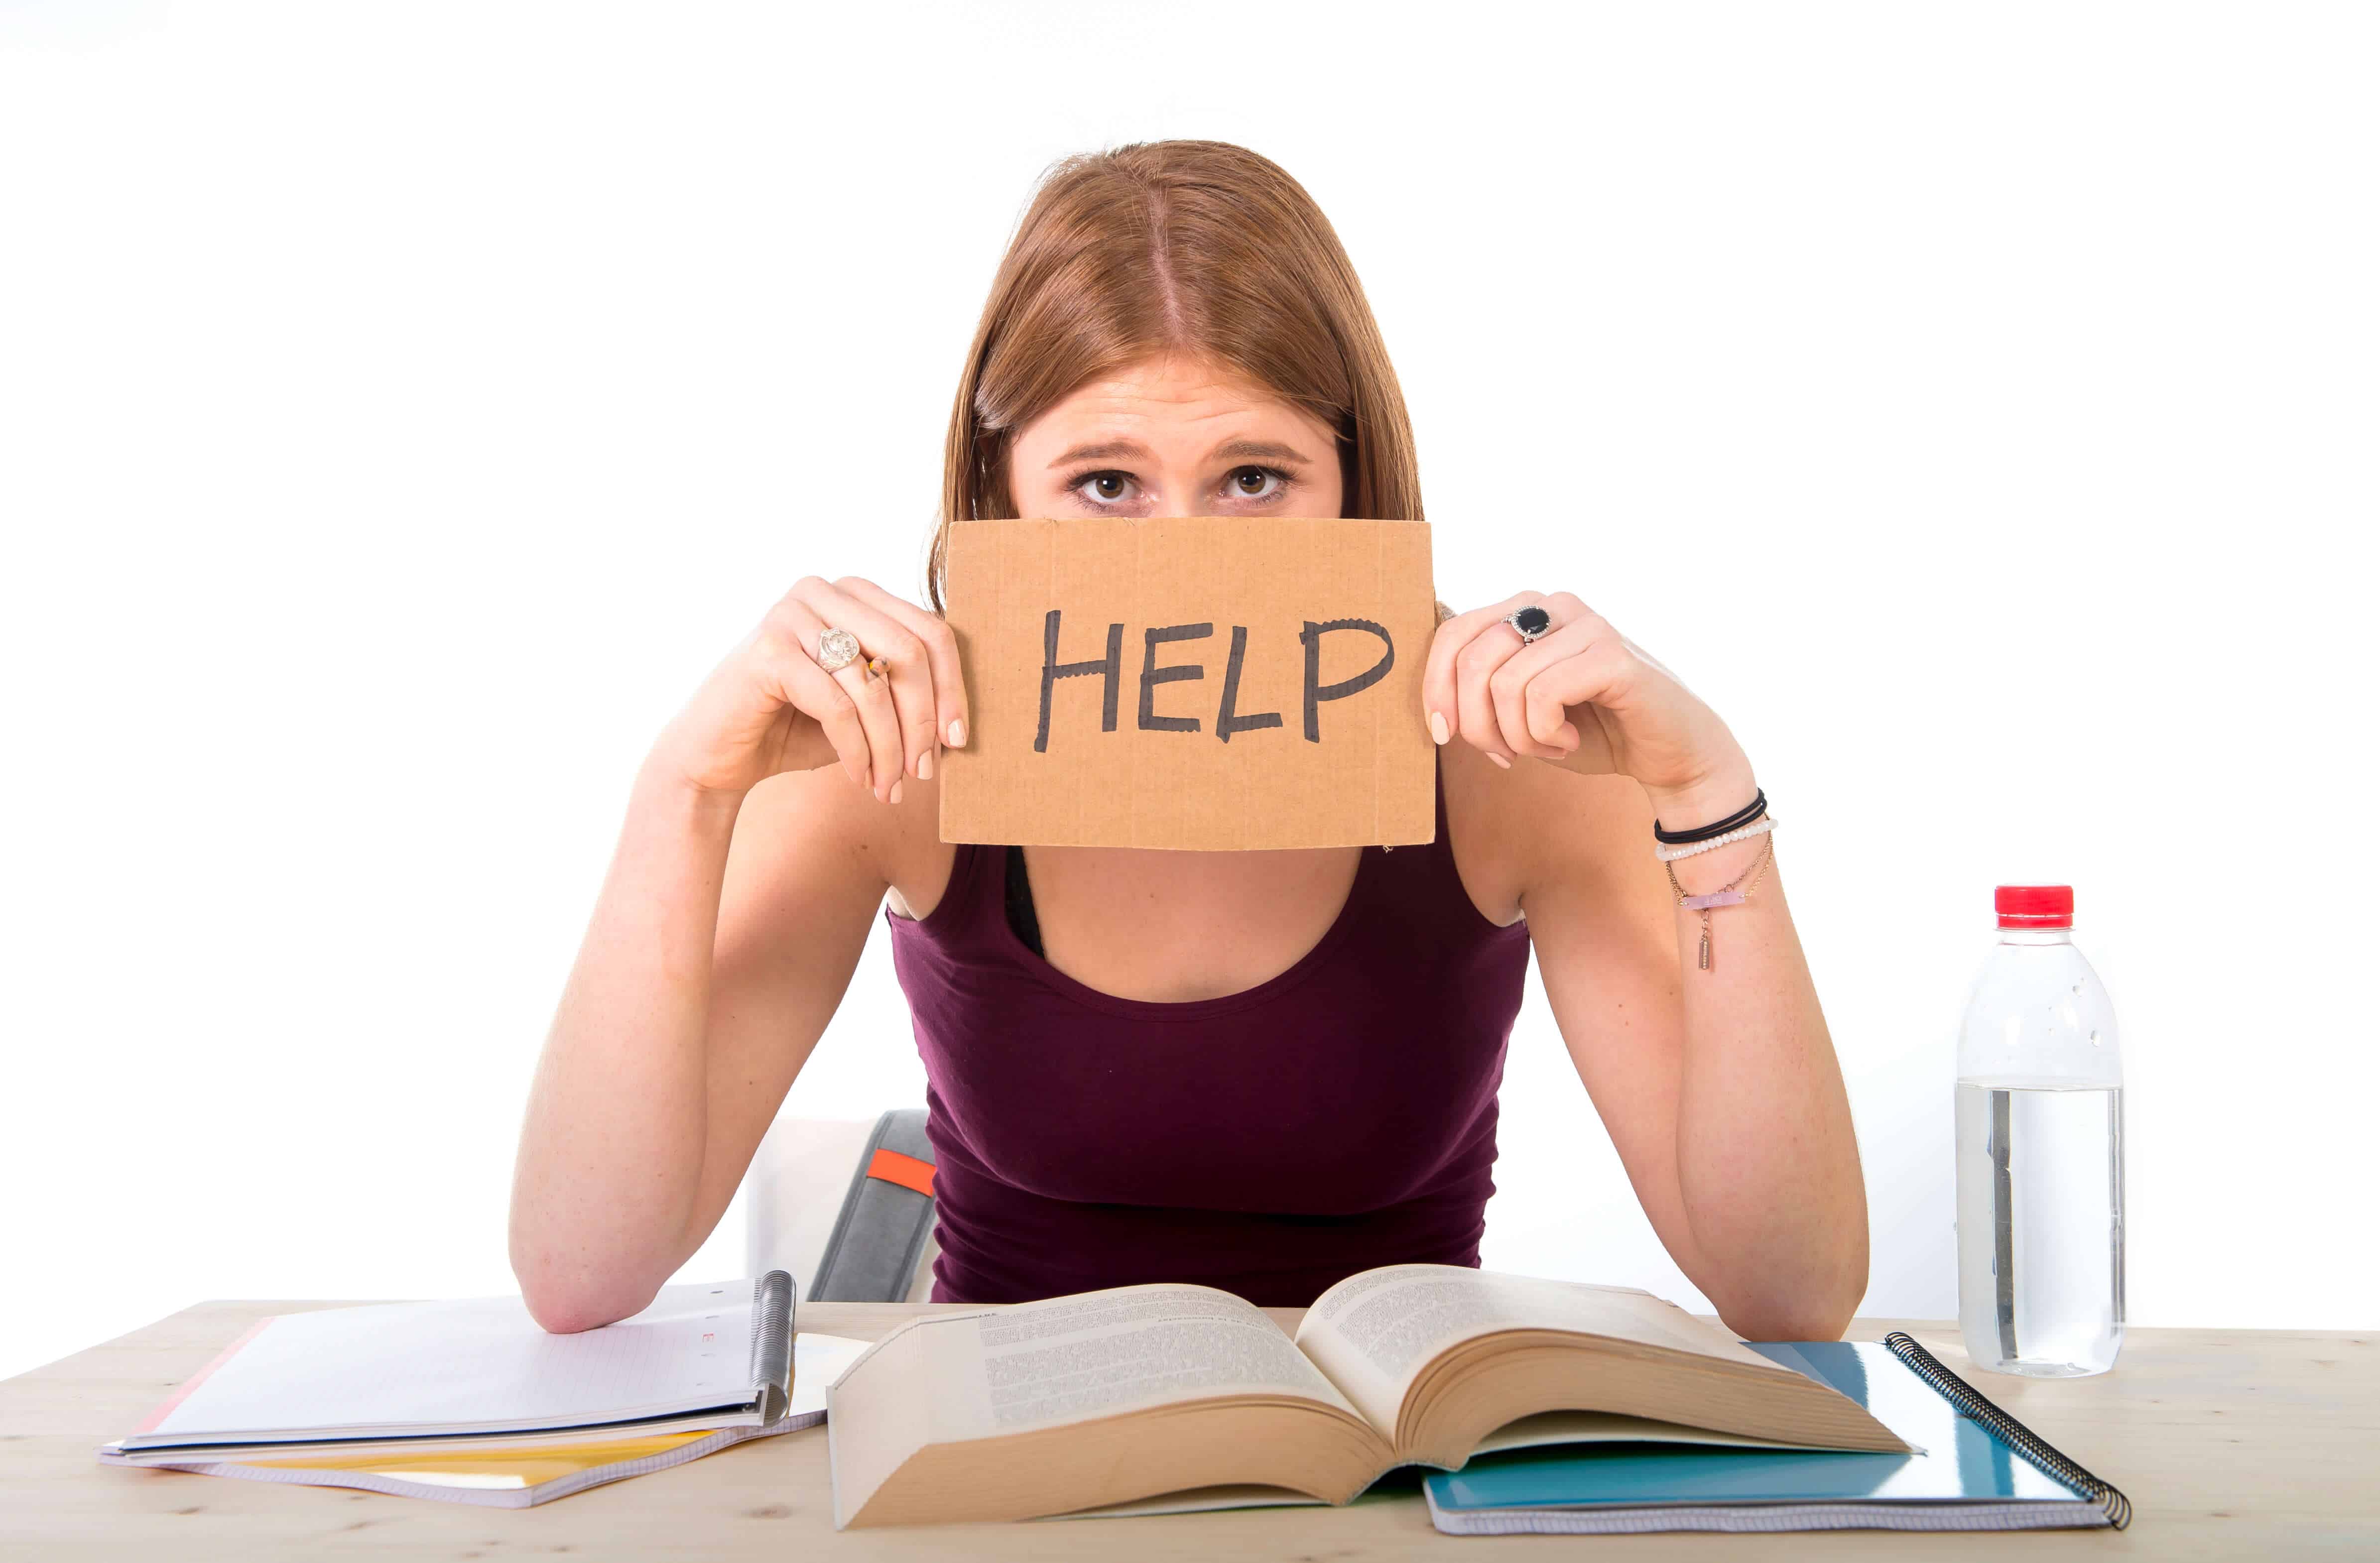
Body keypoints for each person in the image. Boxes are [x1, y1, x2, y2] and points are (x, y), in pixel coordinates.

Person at [508, 140, 1867, 1337]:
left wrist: (1707, 790)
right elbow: (584, 1268)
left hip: (1383, 1484)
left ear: (1350, 489)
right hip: (1005, 1478)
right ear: (997, 492)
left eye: (1253, 479)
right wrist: (683, 790)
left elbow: (1788, 1290)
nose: (1182, 561)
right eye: (1105, 484)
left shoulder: (1502, 758)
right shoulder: (900, 752)